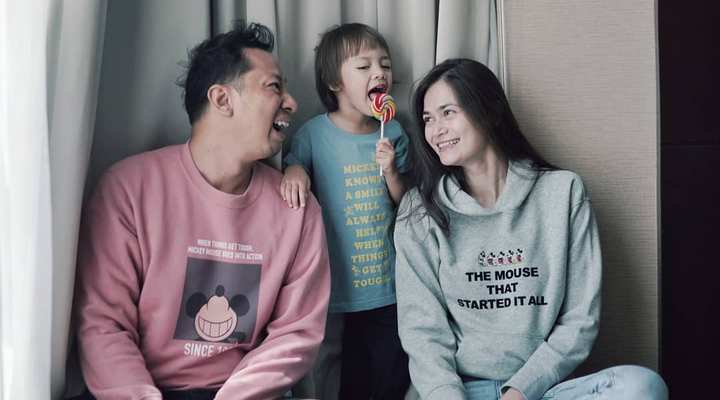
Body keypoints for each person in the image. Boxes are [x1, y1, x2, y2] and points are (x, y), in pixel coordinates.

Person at [72, 22, 330, 400]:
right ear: (222, 99)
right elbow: (103, 325)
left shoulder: (297, 208)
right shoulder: (127, 189)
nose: (292, 103)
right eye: (274, 86)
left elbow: (296, 334)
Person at [394, 58, 668, 400]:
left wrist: (520, 392)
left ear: (490, 111)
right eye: (427, 119)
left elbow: (580, 320)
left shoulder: (563, 193)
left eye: (448, 112)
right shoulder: (419, 211)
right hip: (457, 392)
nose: (435, 131)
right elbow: (422, 333)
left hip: (539, 390)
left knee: (642, 386)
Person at [282, 23, 411, 400]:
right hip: (336, 284)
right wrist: (294, 169)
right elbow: (294, 165)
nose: (379, 72)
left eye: (385, 64)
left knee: (389, 373)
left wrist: (391, 172)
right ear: (334, 82)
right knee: (346, 373)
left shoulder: (394, 132)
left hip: (388, 285)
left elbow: (406, 203)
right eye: (364, 66)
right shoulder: (313, 134)